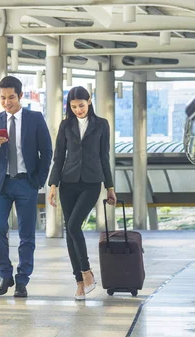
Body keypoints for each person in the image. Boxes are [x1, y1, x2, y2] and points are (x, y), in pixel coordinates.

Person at [0, 76, 53, 298]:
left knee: (26, 234)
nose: (6, 102)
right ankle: (4, 275)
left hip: (26, 183)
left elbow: (47, 152)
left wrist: (38, 181)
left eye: (11, 97)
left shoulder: (35, 118)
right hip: (1, 184)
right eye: (2, 98)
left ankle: (22, 280)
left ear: (20, 96)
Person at [47, 85, 117, 301]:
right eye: (74, 106)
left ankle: (86, 271)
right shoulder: (66, 125)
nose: (78, 110)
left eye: (82, 105)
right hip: (67, 182)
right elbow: (58, 156)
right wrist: (52, 185)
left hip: (91, 182)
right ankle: (79, 282)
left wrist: (110, 187)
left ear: (89, 101)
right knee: (70, 230)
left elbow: (104, 156)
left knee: (74, 225)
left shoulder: (101, 125)